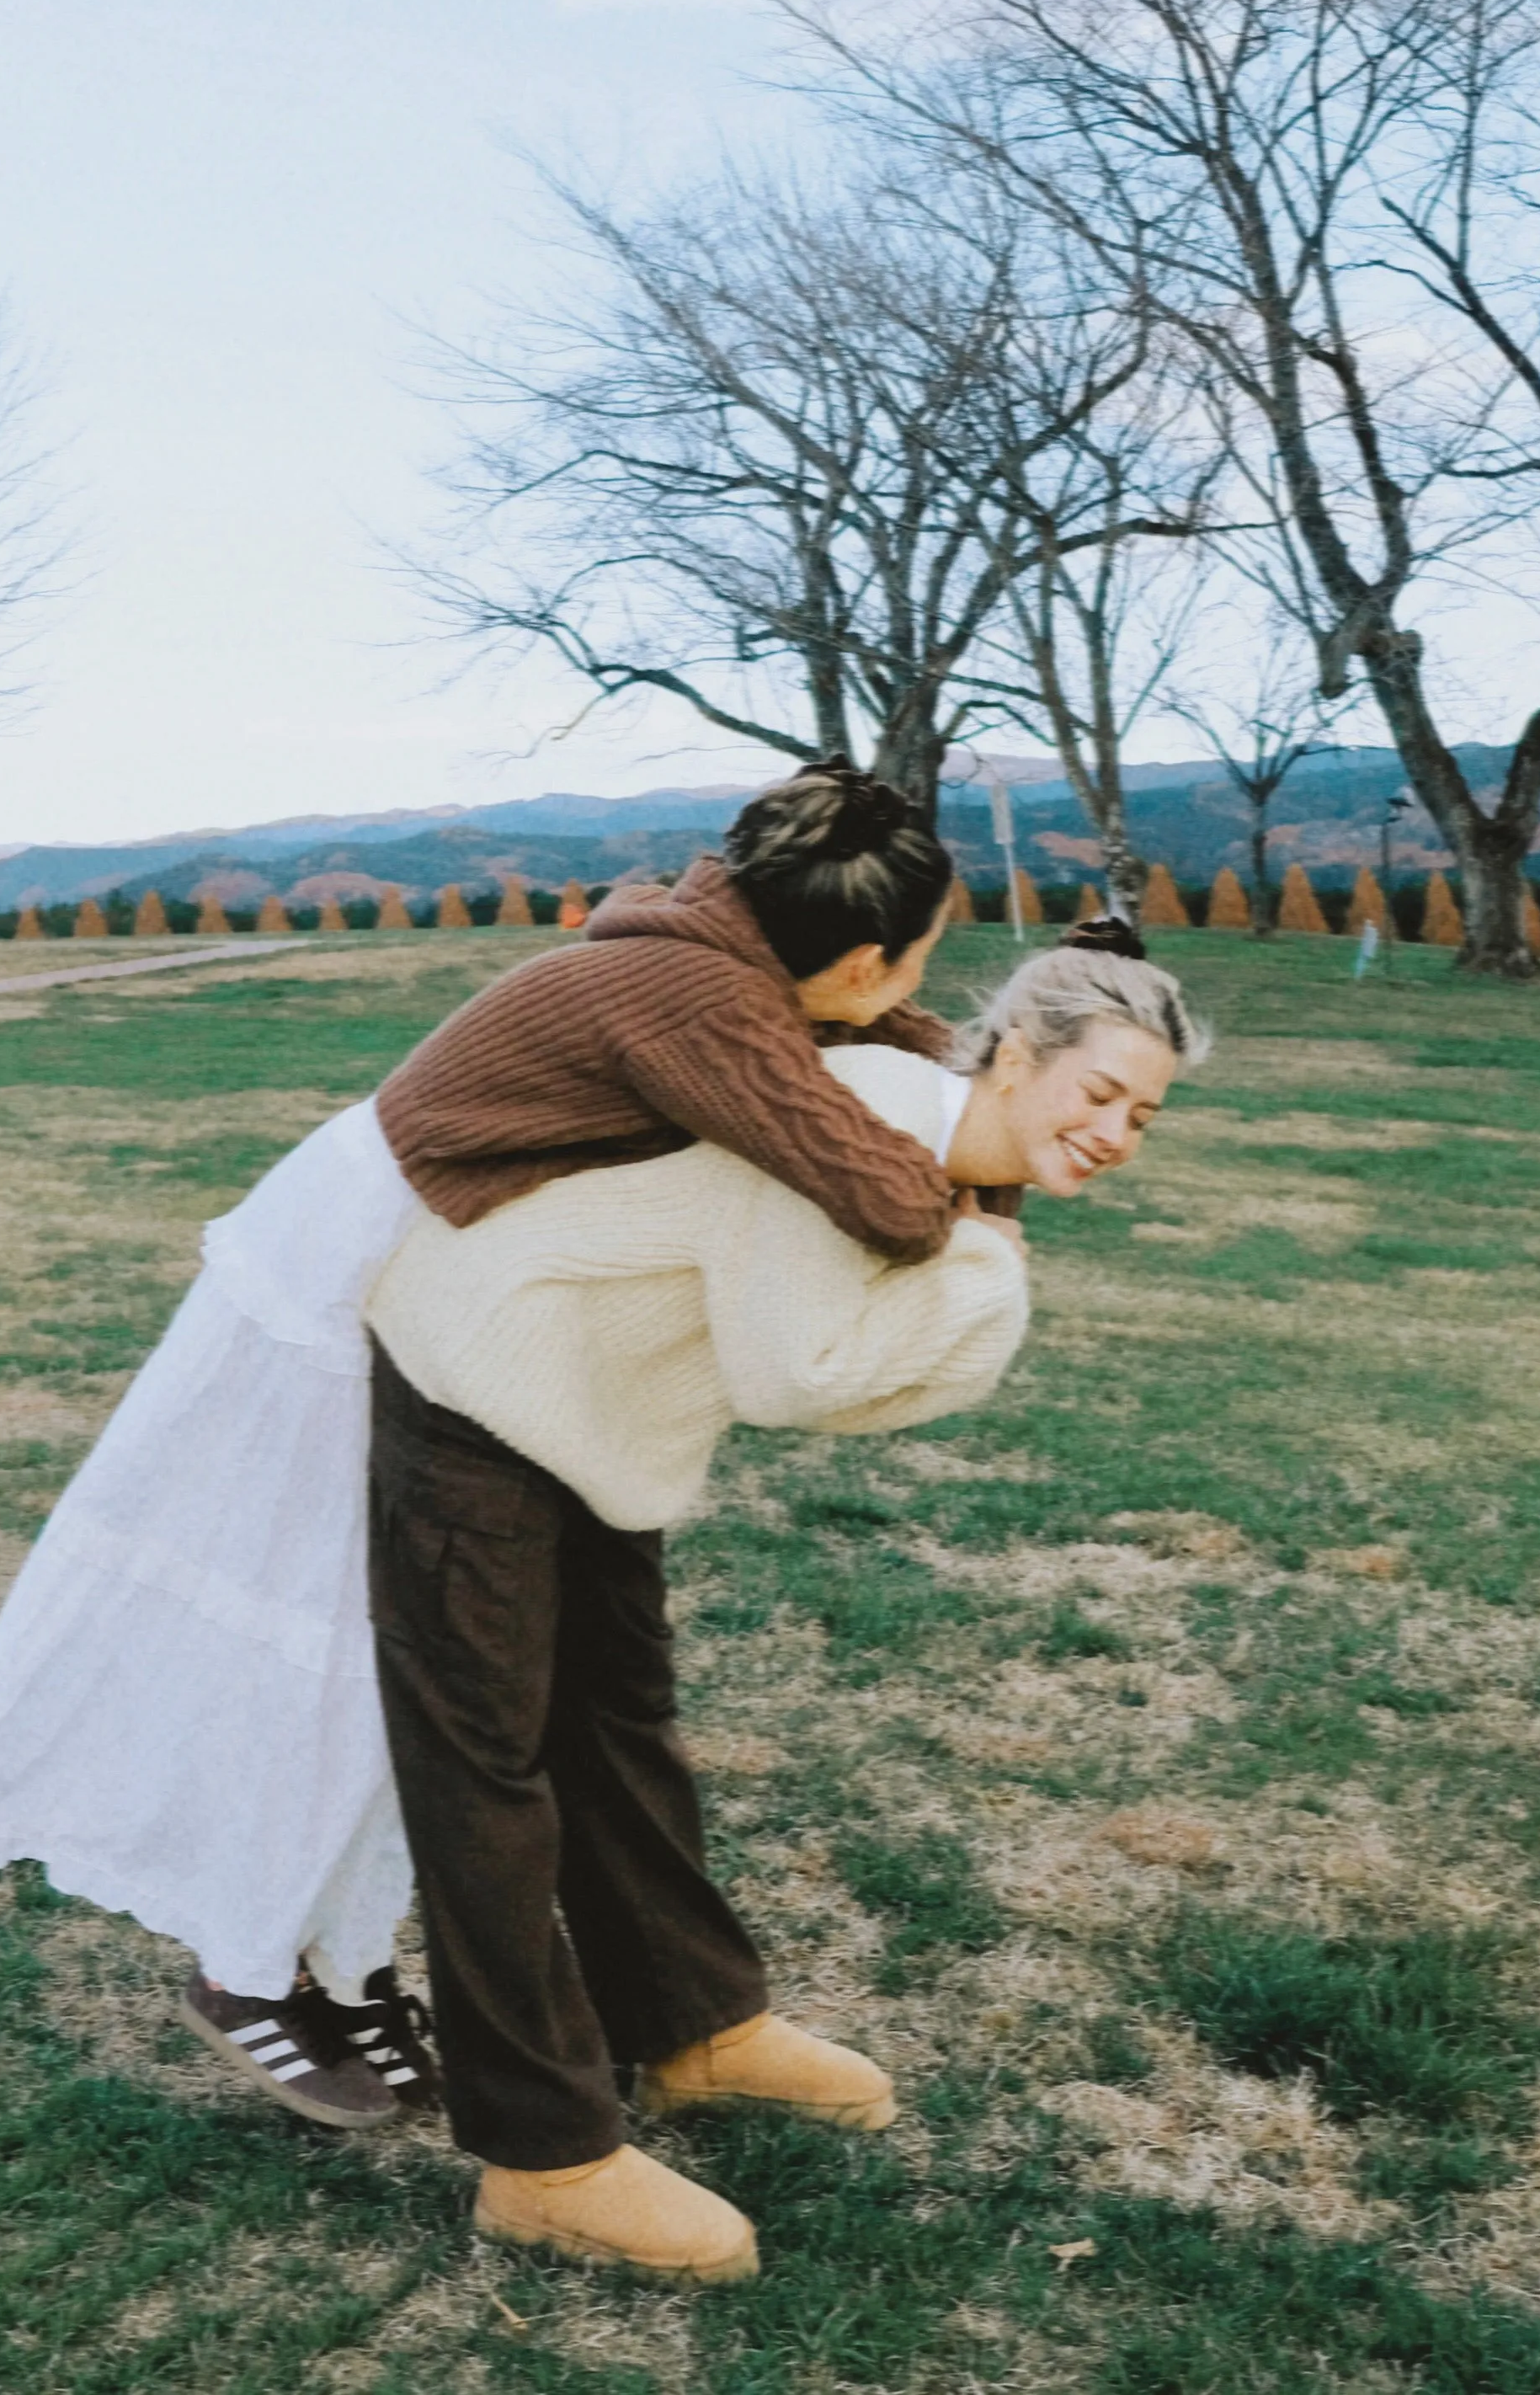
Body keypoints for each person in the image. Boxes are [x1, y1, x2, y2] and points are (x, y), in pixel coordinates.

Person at [0, 768, 979, 2127]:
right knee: (349, 1644)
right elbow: (885, 1194)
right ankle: (255, 1966)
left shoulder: (703, 952)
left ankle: (346, 1963)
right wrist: (982, 1167)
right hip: (355, 1289)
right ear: (866, 953)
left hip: (422, 1273)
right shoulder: (692, 999)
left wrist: (947, 1067)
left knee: (419, 1652)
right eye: (916, 959)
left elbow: (847, 1052)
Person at [358, 932, 1206, 2283]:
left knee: (623, 1721)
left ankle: (692, 2028)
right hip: (480, 1374)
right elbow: (798, 1368)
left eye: (1142, 1116)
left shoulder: (945, 1159)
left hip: (600, 1412)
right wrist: (989, 1272)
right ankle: (542, 2159)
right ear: (1015, 1051)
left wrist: (977, 1244)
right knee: (487, 1773)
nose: (1112, 1132)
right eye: (1096, 1092)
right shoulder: (873, 1113)